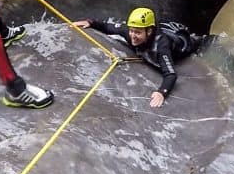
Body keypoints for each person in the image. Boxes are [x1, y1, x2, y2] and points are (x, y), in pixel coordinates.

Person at [73, 8, 205, 108]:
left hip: (183, 42)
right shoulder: (130, 33)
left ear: (149, 31)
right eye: (131, 30)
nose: (133, 36)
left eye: (138, 32)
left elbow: (170, 74)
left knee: (196, 40)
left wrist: (161, 92)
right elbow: (109, 27)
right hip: (163, 31)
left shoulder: (161, 46)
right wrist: (90, 22)